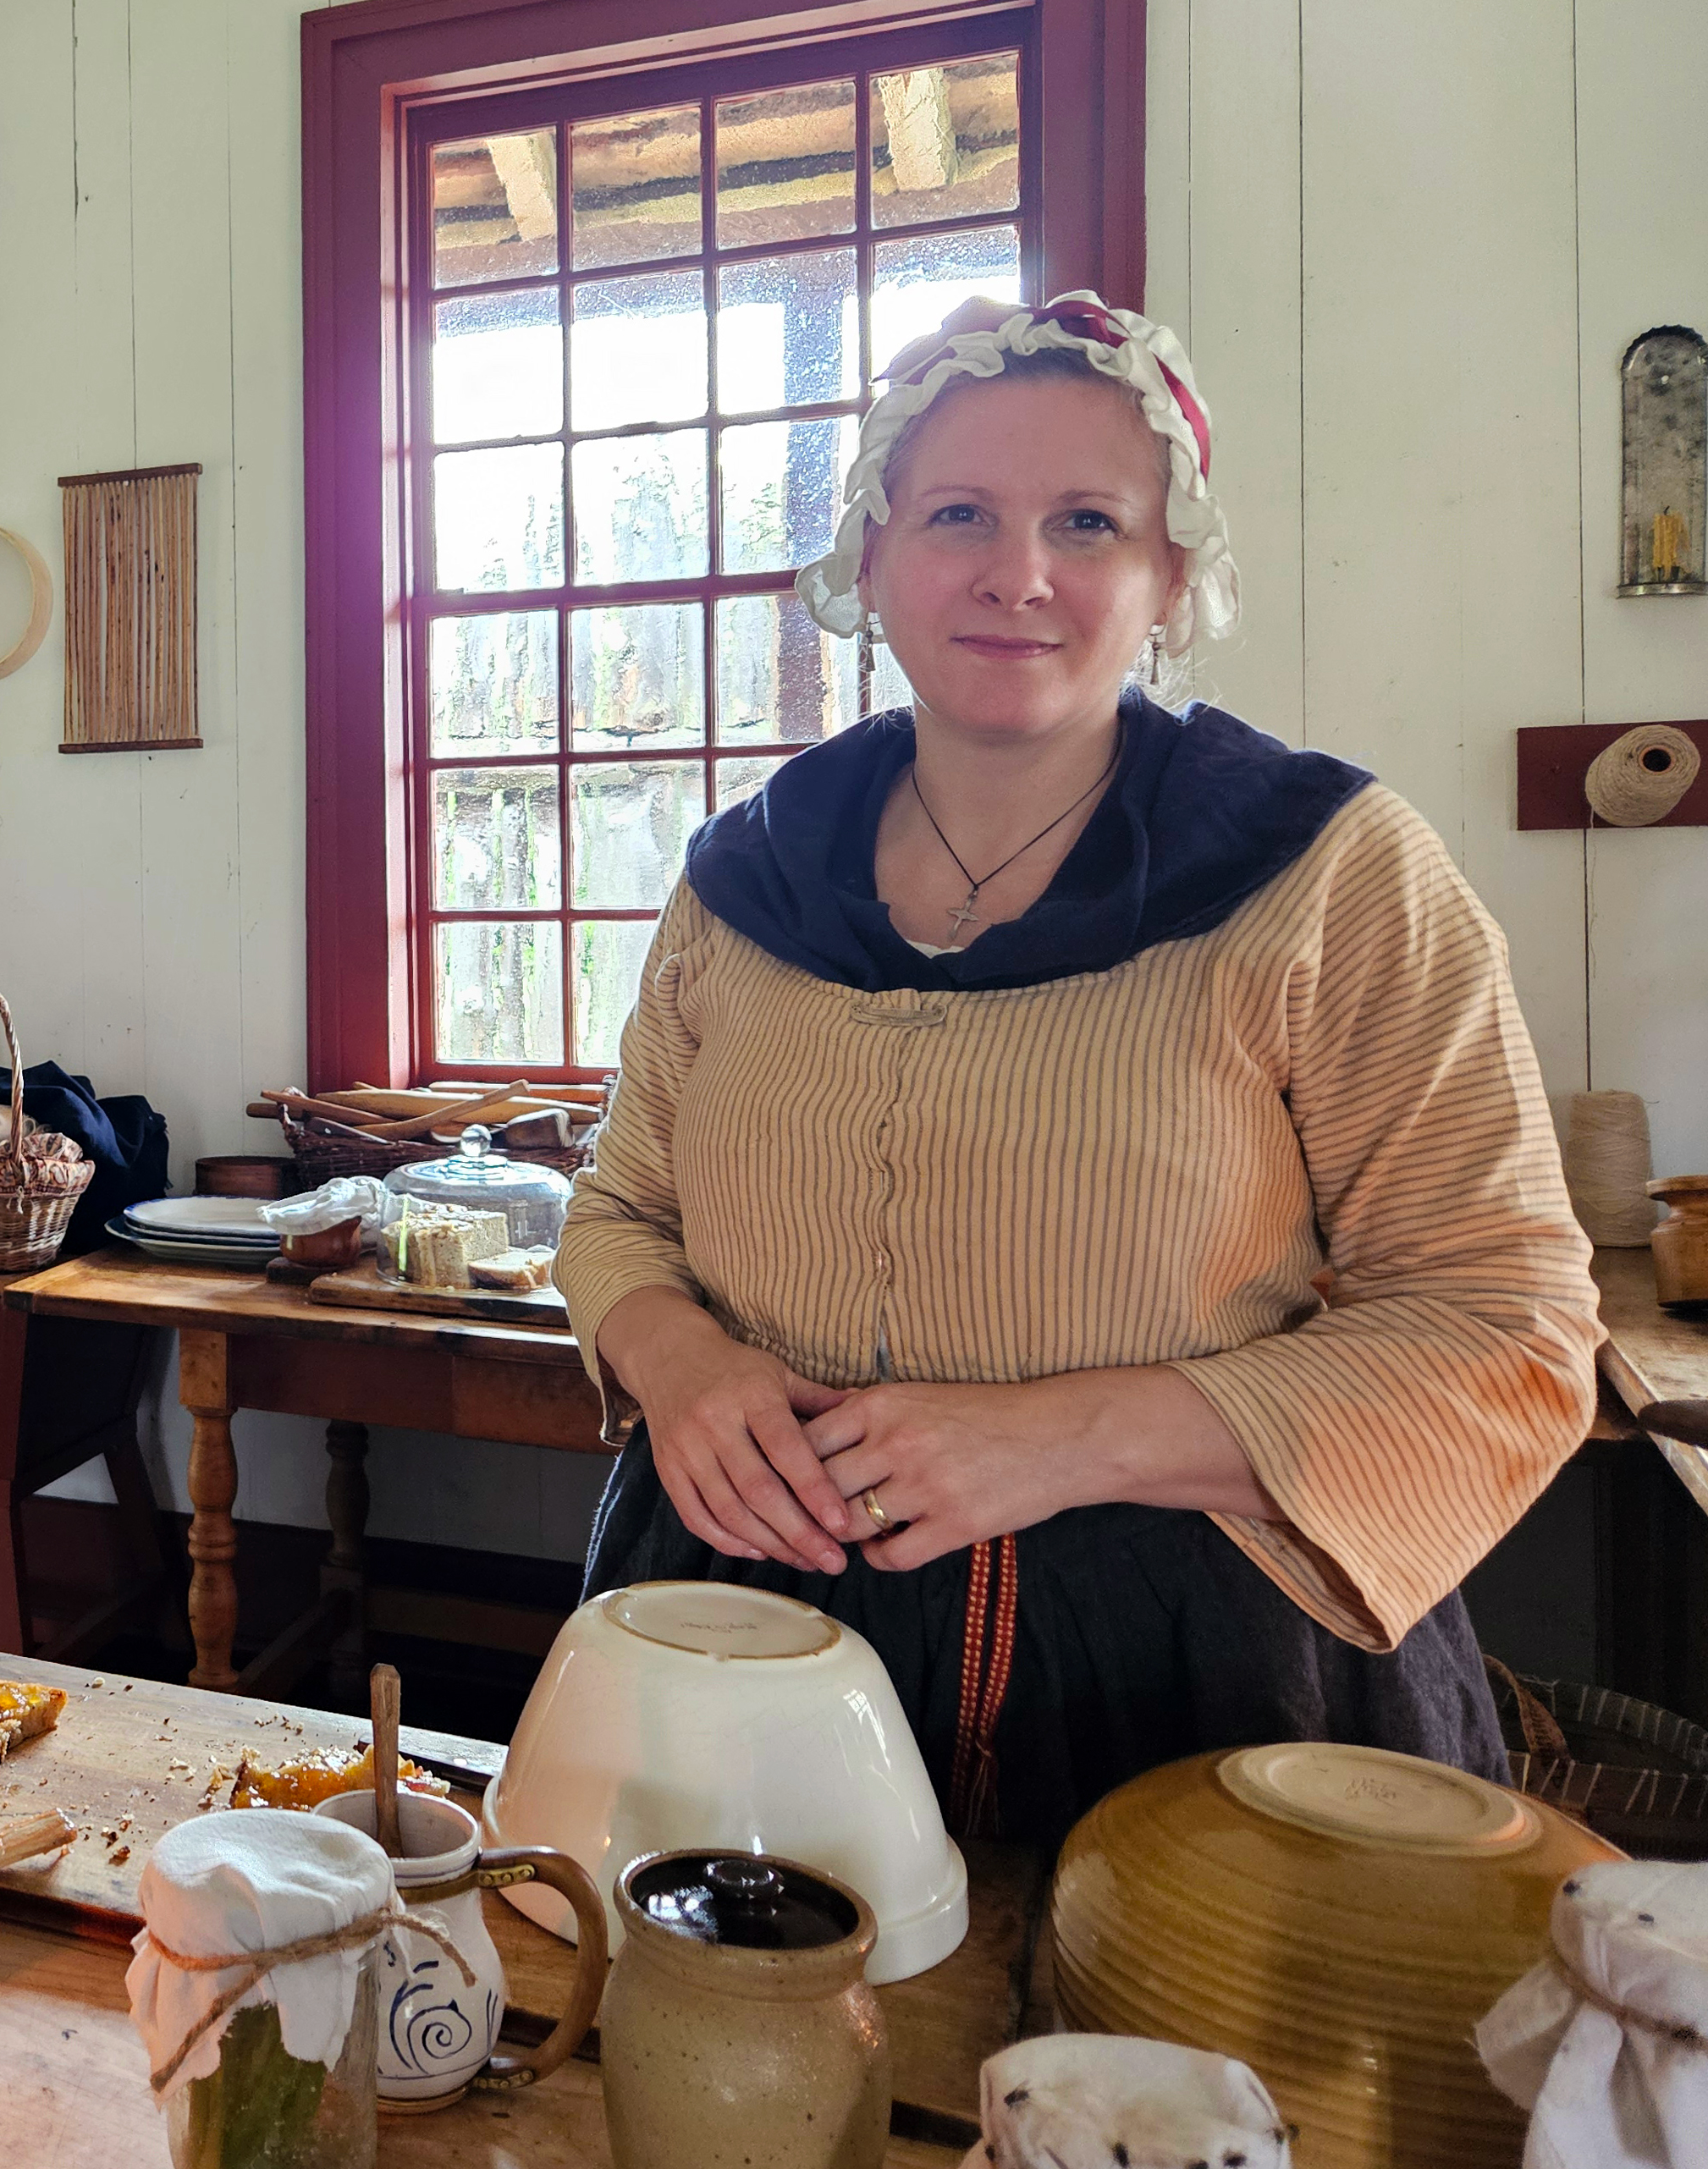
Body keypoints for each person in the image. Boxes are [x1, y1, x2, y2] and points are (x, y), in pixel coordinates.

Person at [554, 293, 1601, 1847]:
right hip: (748, 1639)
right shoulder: (744, 879)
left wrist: (1060, 1436)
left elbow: (1505, 1327)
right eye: (960, 512)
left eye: (1089, 522)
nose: (1017, 574)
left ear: (1173, 576)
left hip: (1198, 1680)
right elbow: (621, 1212)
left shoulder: (1329, 873)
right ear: (876, 551)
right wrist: (682, 1363)